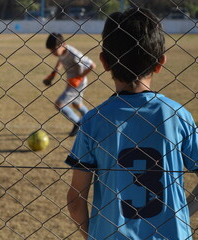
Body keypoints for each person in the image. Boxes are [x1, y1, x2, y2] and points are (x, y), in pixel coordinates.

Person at [65, 8, 198, 240]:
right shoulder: (177, 115)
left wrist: (93, 235)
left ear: (104, 61)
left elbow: (76, 200)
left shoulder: (94, 121)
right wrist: (182, 214)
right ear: (160, 63)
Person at [43, 33, 96, 137]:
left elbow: (92, 65)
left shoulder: (74, 54)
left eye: (53, 50)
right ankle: (91, 122)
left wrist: (79, 77)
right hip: (72, 82)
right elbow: (61, 59)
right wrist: (54, 73)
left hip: (77, 84)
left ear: (62, 45)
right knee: (77, 104)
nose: (52, 53)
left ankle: (78, 122)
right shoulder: (62, 51)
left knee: (59, 104)